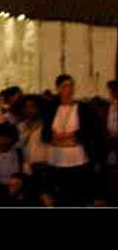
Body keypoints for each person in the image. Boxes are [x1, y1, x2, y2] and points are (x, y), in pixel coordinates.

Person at [42, 74, 100, 206]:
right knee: (59, 194)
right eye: (65, 86)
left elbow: (91, 130)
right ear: (58, 89)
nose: (69, 89)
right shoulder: (51, 109)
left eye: (71, 85)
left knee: (77, 193)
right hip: (56, 157)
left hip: (76, 157)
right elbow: (45, 133)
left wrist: (72, 135)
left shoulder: (83, 108)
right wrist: (55, 136)